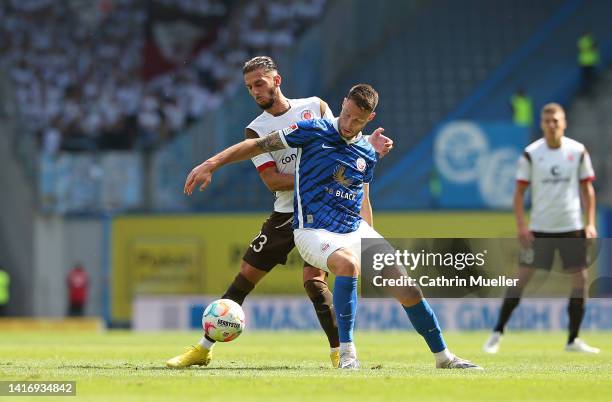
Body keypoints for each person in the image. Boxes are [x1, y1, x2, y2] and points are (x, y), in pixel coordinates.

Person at [183, 83, 481, 370]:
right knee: (347, 265)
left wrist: (371, 239)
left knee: (408, 289)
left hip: (353, 230)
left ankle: (444, 358)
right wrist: (212, 163)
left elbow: (362, 197)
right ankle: (347, 355)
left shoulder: (367, 153)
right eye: (348, 114)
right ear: (342, 104)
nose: (349, 123)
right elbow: (257, 145)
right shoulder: (312, 130)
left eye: (358, 119)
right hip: (312, 230)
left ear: (370, 118)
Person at [166, 57, 393, 369]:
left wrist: (369, 143)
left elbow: (345, 140)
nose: (255, 91)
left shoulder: (315, 106)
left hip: (322, 211)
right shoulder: (256, 129)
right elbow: (272, 179)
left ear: (277, 80)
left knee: (314, 280)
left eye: (259, 83)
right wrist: (321, 176)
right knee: (246, 276)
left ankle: (341, 353)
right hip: (286, 211)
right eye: (249, 87)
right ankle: (202, 349)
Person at [484, 103, 599, 354]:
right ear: (542, 124)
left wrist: (590, 222)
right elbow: (519, 193)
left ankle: (573, 339)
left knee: (580, 279)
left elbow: (587, 189)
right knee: (521, 279)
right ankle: (497, 333)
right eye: (547, 121)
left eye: (556, 120)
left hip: (572, 226)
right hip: (540, 229)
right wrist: (521, 226)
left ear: (564, 122)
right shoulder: (531, 153)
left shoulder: (577, 151)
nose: (552, 125)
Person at [577, 32, 600, 96]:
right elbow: (595, 48)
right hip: (590, 62)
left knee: (585, 79)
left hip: (583, 62)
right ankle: (590, 92)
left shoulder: (581, 41)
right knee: (590, 78)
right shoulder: (591, 40)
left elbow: (580, 49)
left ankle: (586, 92)